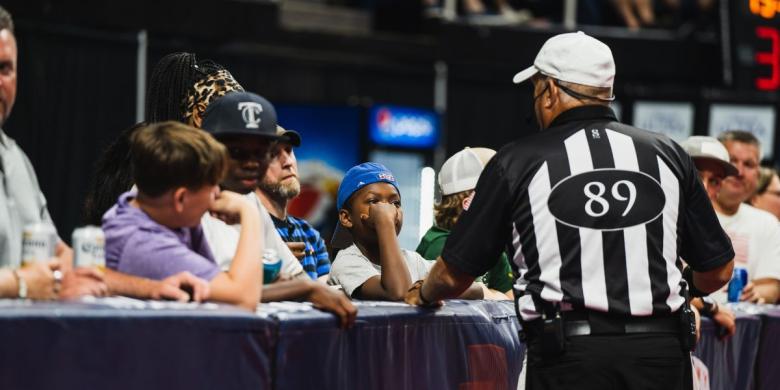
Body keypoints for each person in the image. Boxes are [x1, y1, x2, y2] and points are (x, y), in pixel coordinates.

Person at [405, 31, 734, 389]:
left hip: (569, 359)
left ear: (549, 91)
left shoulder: (517, 162)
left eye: (535, 90)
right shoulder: (667, 155)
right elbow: (718, 269)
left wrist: (422, 293)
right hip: (662, 357)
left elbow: (454, 275)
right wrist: (690, 295)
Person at [198, 91, 356, 326]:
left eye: (261, 153)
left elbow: (294, 275)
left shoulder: (249, 201)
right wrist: (302, 288)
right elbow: (229, 295)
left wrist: (297, 285)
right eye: (237, 152)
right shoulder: (184, 197)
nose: (252, 162)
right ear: (209, 147)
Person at [102, 121, 263, 310]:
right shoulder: (142, 243)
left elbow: (221, 285)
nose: (218, 193)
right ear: (181, 199)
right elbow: (244, 300)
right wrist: (250, 214)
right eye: (212, 184)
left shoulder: (170, 215)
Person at [329, 162, 488, 301]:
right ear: (347, 218)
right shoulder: (347, 262)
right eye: (374, 201)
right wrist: (385, 224)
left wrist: (424, 290)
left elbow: (472, 289)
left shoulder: (413, 260)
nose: (389, 210)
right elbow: (397, 293)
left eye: (395, 203)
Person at [416, 147, 513, 299]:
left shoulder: (490, 245)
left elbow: (511, 302)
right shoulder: (439, 245)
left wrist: (485, 292)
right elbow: (454, 294)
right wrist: (486, 292)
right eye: (494, 196)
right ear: (469, 203)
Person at [680, 136, 740, 338]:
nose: (704, 188)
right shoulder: (655, 223)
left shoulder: (718, 233)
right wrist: (707, 306)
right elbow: (660, 284)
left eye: (714, 181)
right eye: (696, 176)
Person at [711, 130, 780, 303]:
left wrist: (756, 293)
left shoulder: (768, 224)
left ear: (758, 174)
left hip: (743, 322)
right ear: (715, 166)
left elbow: (771, 285)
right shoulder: (687, 214)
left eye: (749, 164)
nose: (739, 171)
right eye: (732, 161)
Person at [257, 125, 331, 282]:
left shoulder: (309, 234)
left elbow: (325, 289)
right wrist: (272, 264)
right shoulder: (243, 228)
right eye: (273, 154)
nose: (288, 162)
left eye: (289, 151)